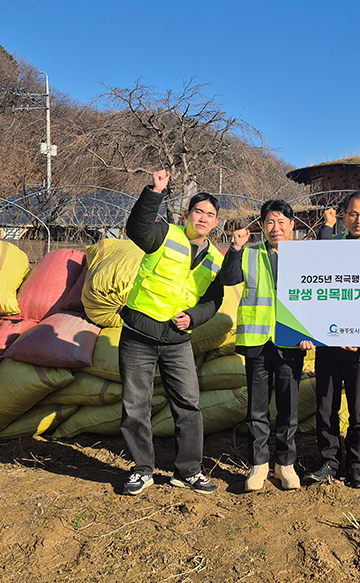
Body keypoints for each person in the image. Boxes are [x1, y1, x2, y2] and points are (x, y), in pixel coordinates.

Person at [119, 169, 225, 496]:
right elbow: (136, 229)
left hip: (178, 341)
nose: (204, 218)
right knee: (136, 405)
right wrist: (154, 192)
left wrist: (193, 318)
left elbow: (214, 300)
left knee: (189, 405)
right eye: (199, 212)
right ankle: (142, 469)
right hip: (140, 333)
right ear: (187, 214)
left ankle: (189, 471)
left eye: (210, 215)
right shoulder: (164, 234)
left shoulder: (216, 260)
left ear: (217, 222)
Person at [224, 200, 314, 492]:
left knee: (288, 407)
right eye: (270, 222)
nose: (276, 228)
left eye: (281, 222)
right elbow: (229, 278)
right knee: (257, 408)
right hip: (257, 341)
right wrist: (235, 248)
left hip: (290, 342)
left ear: (292, 225)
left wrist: (309, 332)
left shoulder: (305, 256)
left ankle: (285, 464)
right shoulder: (250, 254)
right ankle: (259, 463)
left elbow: (316, 298)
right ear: (262, 226)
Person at [304, 191, 360, 488]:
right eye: (353, 214)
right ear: (344, 215)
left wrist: (358, 334)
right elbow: (319, 286)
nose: (359, 220)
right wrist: (326, 227)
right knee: (326, 406)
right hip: (329, 343)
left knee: (359, 410)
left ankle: (357, 465)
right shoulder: (332, 245)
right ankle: (329, 460)